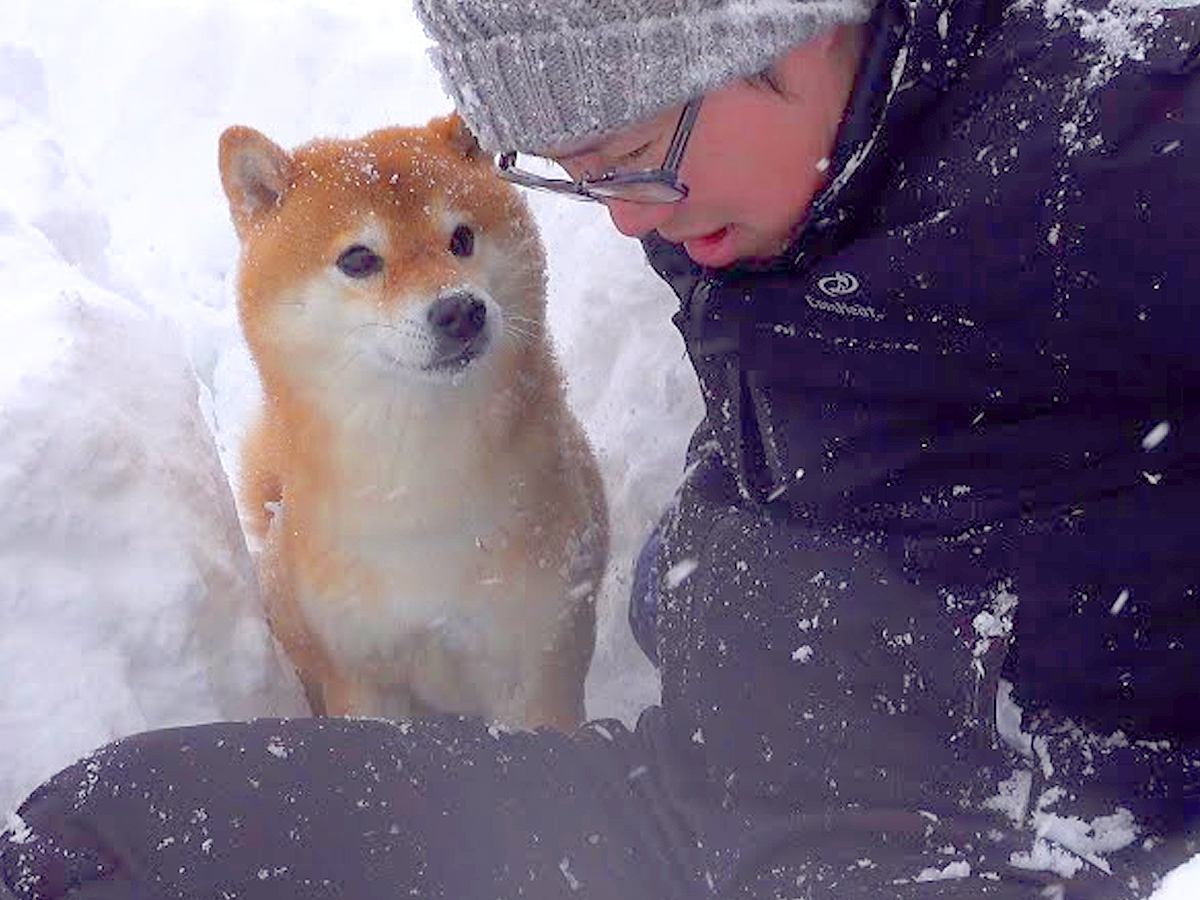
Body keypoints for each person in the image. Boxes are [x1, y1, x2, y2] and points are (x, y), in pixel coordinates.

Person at [3, 0, 1198, 897]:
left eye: (632, 149)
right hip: (689, 804)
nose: (625, 214)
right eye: (578, 175)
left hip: (968, 855)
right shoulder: (752, 189)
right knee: (106, 834)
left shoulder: (1114, 149)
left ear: (774, 35)